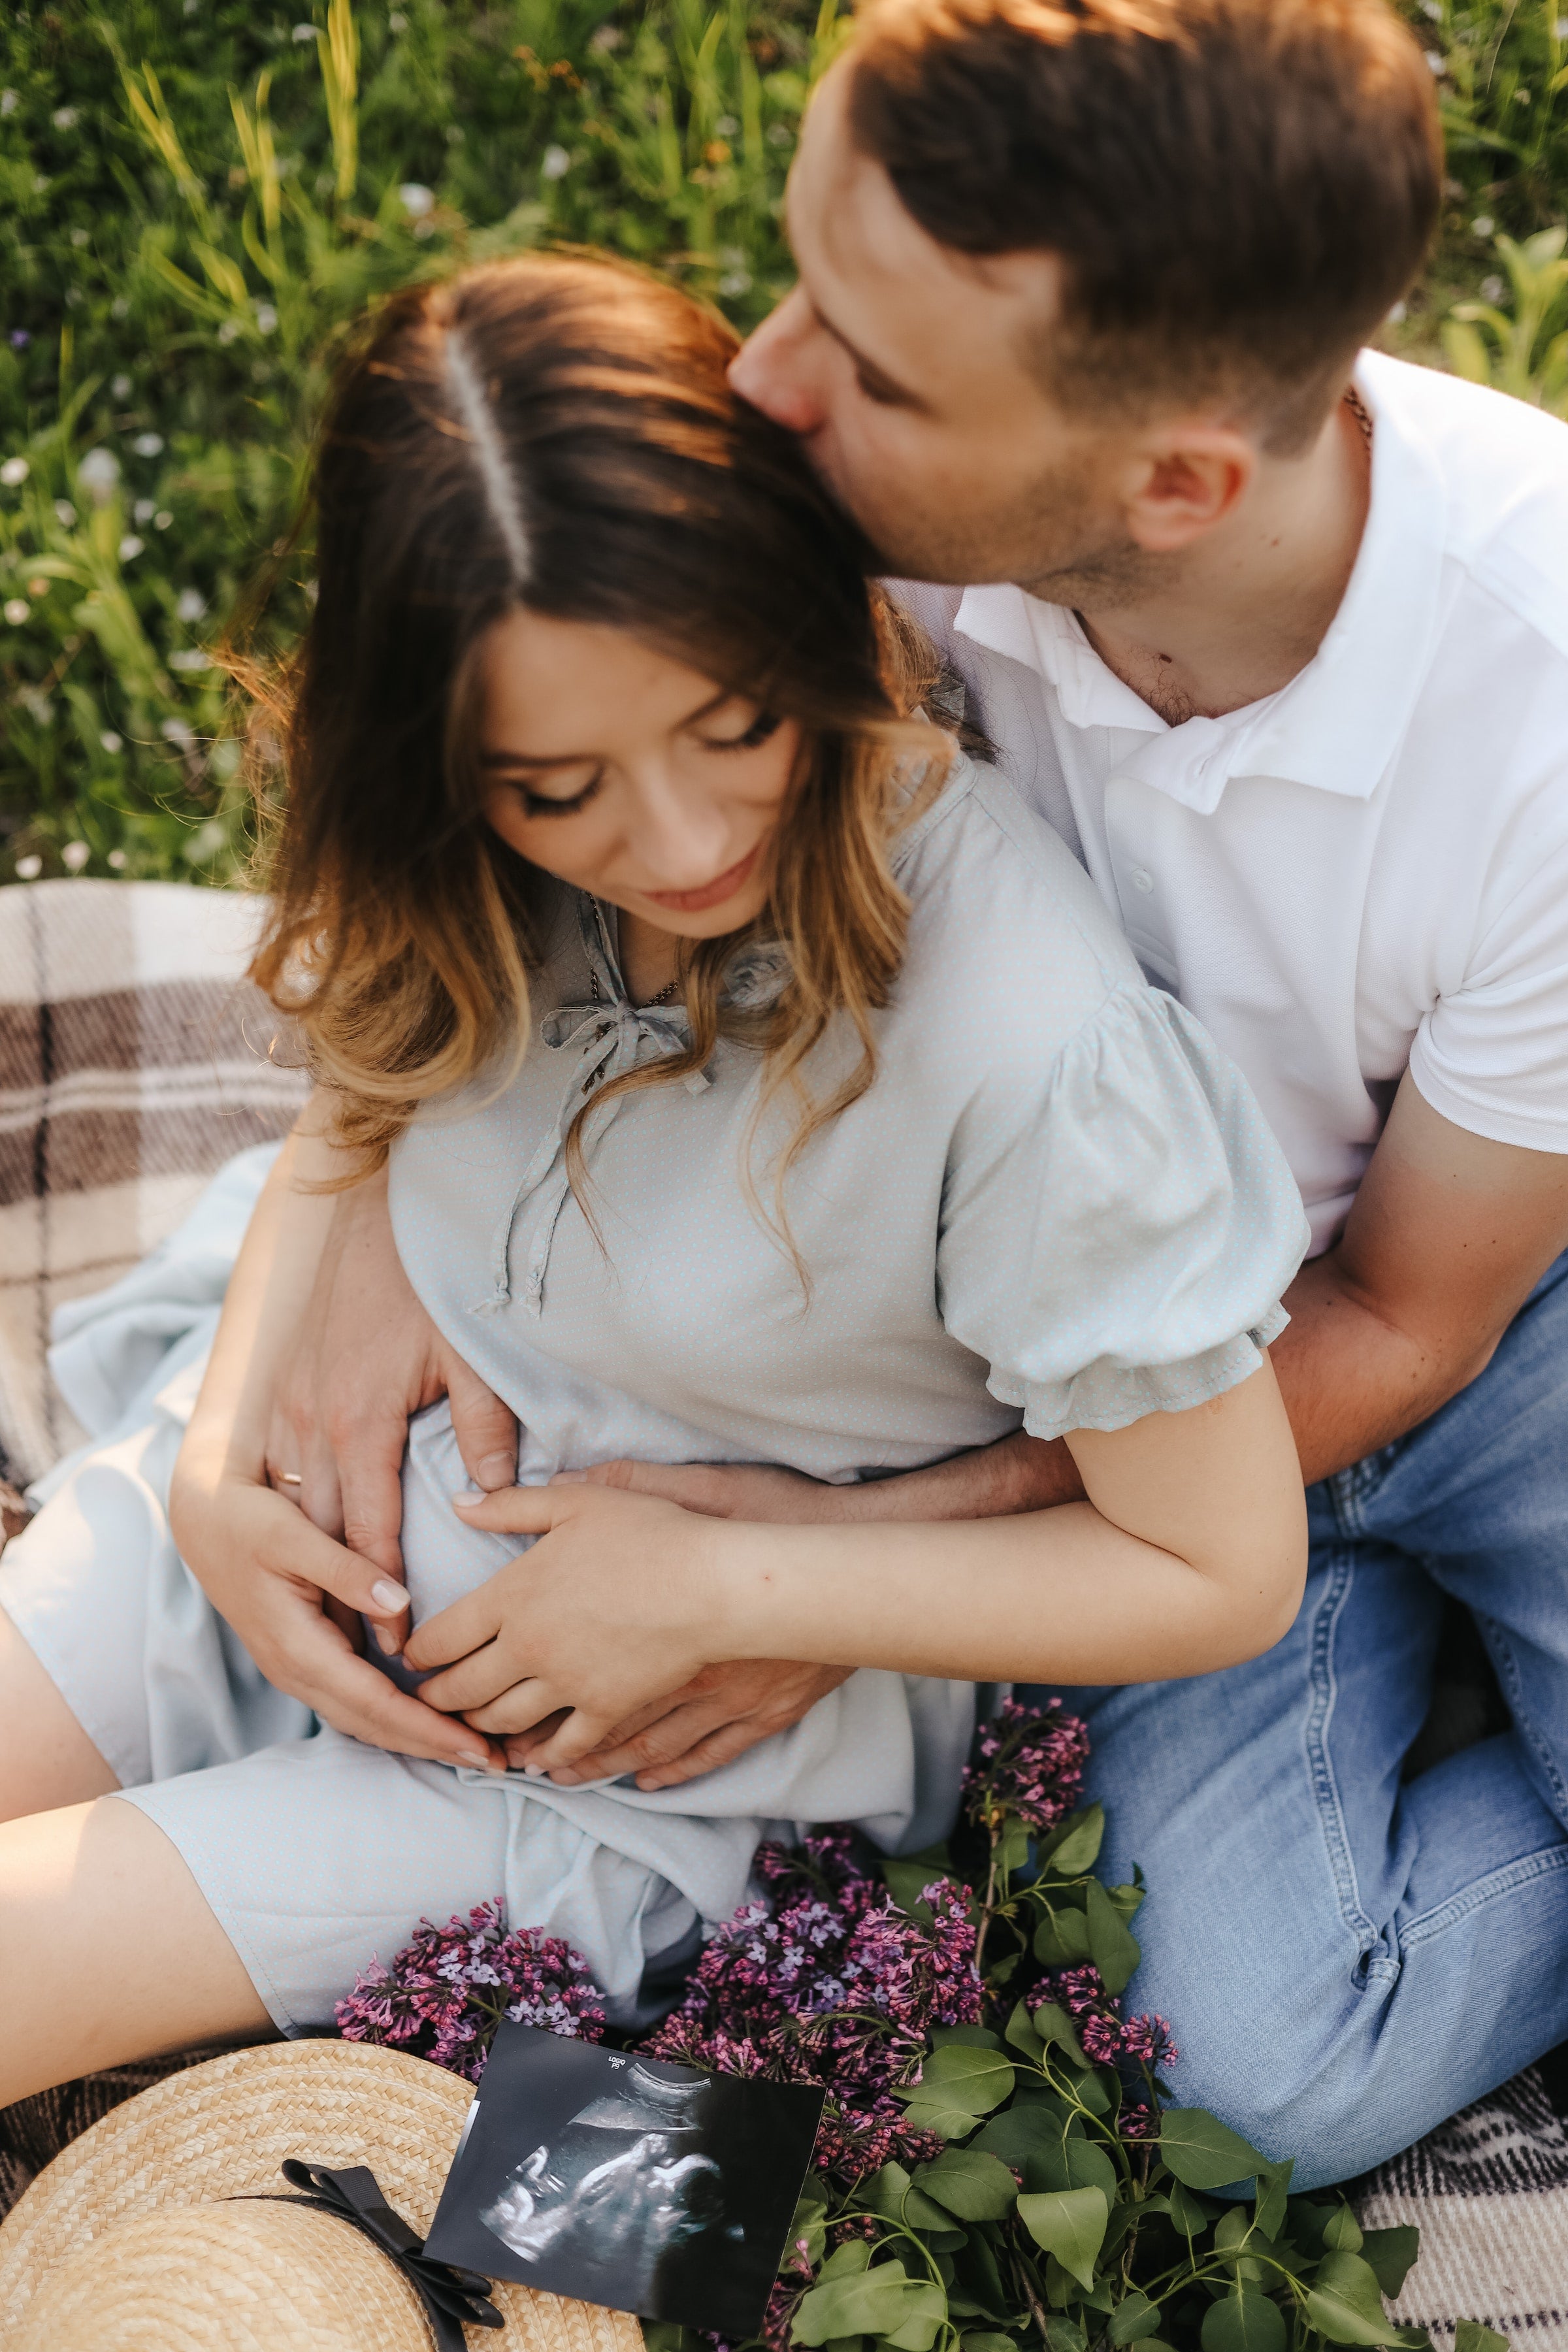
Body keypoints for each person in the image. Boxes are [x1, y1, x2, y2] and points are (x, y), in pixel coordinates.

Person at [204, 0, 1568, 2184]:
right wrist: (367, 1193)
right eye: (806, 276)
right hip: (1118, 1362)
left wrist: (817, 1567)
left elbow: (1415, 1322)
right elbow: (503, 740)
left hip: (1482, 1342)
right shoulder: (868, 462)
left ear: (1178, 488)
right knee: (1240, 2067)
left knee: (1262, 2070)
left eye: (863, 351)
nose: (763, 380)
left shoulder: (1542, 720)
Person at [0, 255, 1310, 2106]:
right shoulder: (455, 839)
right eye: (561, 791)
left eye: (730, 726)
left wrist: (728, 1591)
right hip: (280, 1529)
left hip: (626, 1772)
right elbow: (367, 1080)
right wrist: (219, 1462)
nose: (680, 842)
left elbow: (1223, 1564)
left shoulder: (1027, 1040)